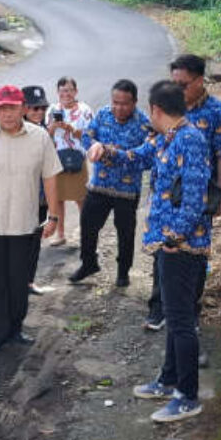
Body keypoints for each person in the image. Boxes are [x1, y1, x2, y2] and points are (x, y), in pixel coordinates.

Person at [88, 81, 212, 422]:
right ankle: (168, 380)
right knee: (173, 316)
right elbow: (137, 157)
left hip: (183, 247)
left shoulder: (190, 140)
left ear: (156, 110)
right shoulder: (165, 138)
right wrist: (105, 149)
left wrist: (174, 237)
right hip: (166, 243)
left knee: (182, 322)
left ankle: (188, 396)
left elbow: (196, 198)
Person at [0, 85, 63, 354]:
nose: (7, 114)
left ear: (23, 109)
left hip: (25, 224)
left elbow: (50, 178)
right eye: (2, 109)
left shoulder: (40, 138)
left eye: (12, 108)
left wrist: (53, 216)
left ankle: (16, 328)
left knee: (19, 280)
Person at [143, 54, 221, 331]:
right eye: (175, 84)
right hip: (166, 195)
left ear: (200, 80)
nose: (179, 90)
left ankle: (189, 310)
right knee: (163, 251)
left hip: (197, 195)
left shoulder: (217, 112)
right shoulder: (170, 111)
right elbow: (150, 148)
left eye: (183, 85)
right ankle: (159, 307)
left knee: (194, 254)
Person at [70, 79, 151, 287]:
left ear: (134, 102)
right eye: (115, 102)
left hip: (127, 190)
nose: (118, 108)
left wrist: (114, 153)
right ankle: (88, 263)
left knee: (125, 232)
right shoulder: (103, 114)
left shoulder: (144, 123)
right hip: (99, 185)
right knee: (88, 225)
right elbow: (86, 136)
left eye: (124, 103)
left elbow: (147, 159)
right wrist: (94, 145)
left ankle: (123, 272)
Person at [46, 77, 94, 247]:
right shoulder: (52, 110)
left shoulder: (85, 110)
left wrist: (72, 129)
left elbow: (91, 135)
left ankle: (86, 234)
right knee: (58, 198)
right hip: (56, 159)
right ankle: (60, 234)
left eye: (69, 90)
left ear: (76, 91)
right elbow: (46, 136)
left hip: (77, 158)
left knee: (81, 198)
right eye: (62, 91)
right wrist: (52, 128)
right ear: (57, 92)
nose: (66, 94)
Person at [22, 85, 54, 296]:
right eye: (35, 108)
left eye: (43, 108)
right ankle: (15, 284)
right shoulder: (16, 132)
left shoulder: (42, 131)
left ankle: (28, 282)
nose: (39, 112)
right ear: (23, 108)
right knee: (20, 243)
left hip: (41, 199)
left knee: (34, 243)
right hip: (22, 199)